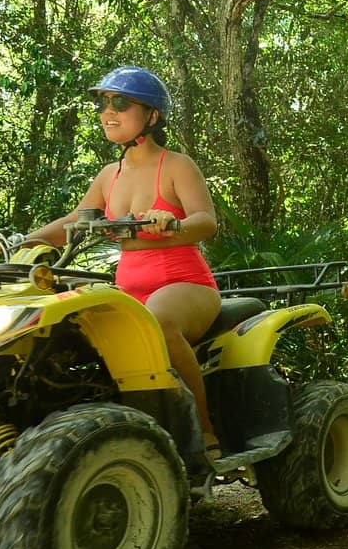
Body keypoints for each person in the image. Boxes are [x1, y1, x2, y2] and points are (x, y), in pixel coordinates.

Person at [24, 66, 223, 462]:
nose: (106, 111)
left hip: (186, 284)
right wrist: (27, 239)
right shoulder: (108, 175)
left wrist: (174, 223)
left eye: (120, 102)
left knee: (157, 322)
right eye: (102, 102)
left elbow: (207, 222)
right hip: (131, 288)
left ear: (152, 116)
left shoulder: (176, 165)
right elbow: (74, 223)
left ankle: (204, 430)